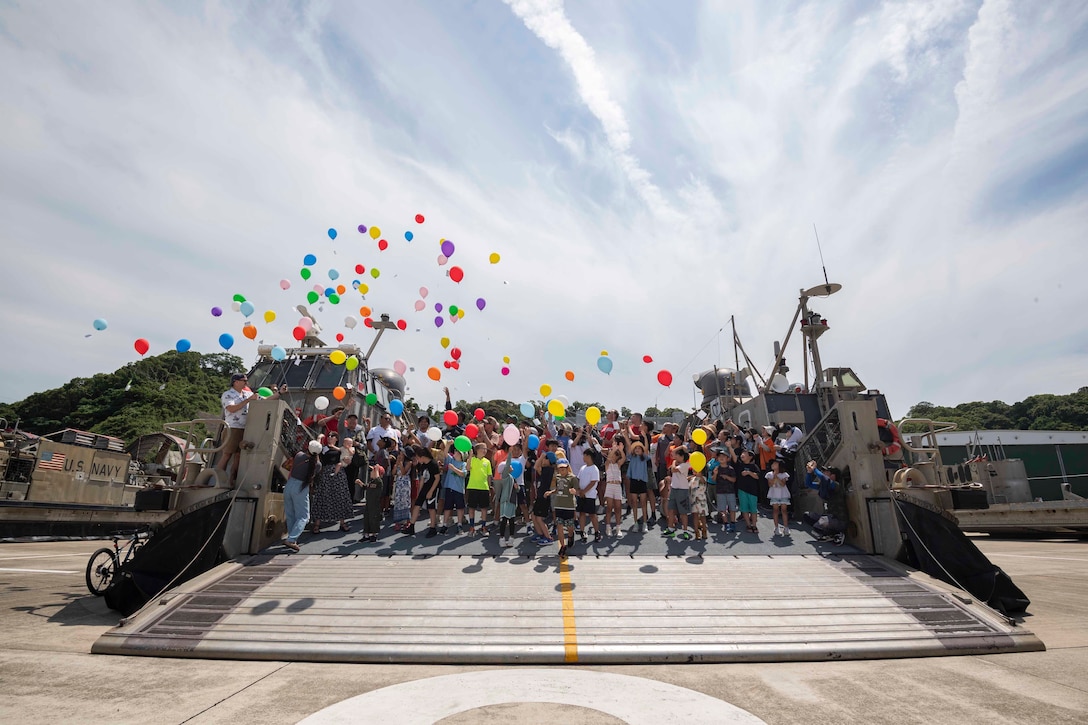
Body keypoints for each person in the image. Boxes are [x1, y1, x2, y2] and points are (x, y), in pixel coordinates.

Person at [218, 373, 282, 485]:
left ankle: (231, 480)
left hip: (247, 428)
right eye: (244, 380)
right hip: (233, 428)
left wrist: (279, 393)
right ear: (236, 382)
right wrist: (248, 401)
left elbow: (265, 400)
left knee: (239, 456)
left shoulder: (248, 393)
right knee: (227, 454)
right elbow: (231, 409)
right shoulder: (228, 395)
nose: (246, 383)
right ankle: (217, 478)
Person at [311, 432, 353, 533]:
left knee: (340, 496)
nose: (329, 437)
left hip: (338, 472)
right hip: (326, 472)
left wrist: (347, 460)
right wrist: (319, 438)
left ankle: (342, 522)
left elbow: (348, 457)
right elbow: (315, 449)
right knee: (322, 496)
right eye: (328, 436)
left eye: (332, 436)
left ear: (336, 439)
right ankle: (317, 523)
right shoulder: (323, 448)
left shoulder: (340, 449)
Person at [283, 440, 321, 552]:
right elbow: (315, 466)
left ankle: (291, 537)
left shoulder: (299, 455)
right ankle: (291, 539)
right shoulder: (317, 465)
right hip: (301, 487)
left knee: (291, 514)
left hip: (289, 484)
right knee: (304, 517)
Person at [803, 460, 847, 545]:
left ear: (833, 476)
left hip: (839, 520)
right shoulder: (824, 486)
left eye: (826, 472)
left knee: (819, 525)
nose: (824, 473)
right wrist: (809, 472)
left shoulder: (836, 486)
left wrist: (815, 469)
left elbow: (825, 479)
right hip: (829, 517)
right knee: (808, 516)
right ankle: (831, 534)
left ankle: (837, 534)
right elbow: (808, 484)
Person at [404, 446, 442, 537]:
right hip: (424, 488)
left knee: (431, 508)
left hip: (432, 488)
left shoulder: (433, 464)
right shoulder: (423, 465)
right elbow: (422, 479)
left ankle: (433, 528)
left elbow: (437, 478)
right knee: (417, 505)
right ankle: (411, 526)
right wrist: (419, 492)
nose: (417, 459)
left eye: (417, 457)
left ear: (422, 456)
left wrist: (431, 491)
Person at [545, 459, 578, 559]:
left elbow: (577, 490)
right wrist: (551, 492)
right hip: (559, 505)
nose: (562, 470)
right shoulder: (558, 478)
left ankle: (571, 535)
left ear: (567, 468)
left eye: (564, 468)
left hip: (569, 506)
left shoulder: (572, 478)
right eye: (560, 469)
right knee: (559, 525)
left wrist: (574, 491)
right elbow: (558, 489)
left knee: (569, 526)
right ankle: (562, 546)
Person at [661, 447, 692, 540]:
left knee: (683, 512)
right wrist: (681, 447)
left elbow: (673, 469)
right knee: (671, 510)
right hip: (674, 488)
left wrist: (673, 462)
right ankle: (670, 529)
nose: (675, 457)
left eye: (678, 455)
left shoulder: (685, 465)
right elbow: (673, 452)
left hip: (682, 490)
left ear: (682, 457)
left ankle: (685, 530)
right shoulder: (678, 462)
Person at [624, 438, 653, 532]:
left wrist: (645, 437)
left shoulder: (644, 457)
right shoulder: (631, 457)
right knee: (634, 503)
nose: (637, 450)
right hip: (633, 481)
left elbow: (647, 448)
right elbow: (628, 446)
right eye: (635, 448)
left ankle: (645, 523)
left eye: (639, 448)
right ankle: (635, 523)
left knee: (644, 503)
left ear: (642, 450)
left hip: (642, 482)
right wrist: (625, 436)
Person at [439, 443, 467, 534]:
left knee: (460, 507)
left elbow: (463, 474)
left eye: (457, 452)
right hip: (449, 488)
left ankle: (459, 524)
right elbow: (445, 453)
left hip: (458, 489)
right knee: (447, 507)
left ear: (461, 455)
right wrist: (448, 444)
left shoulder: (464, 464)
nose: (454, 452)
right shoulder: (451, 460)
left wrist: (454, 468)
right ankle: (445, 524)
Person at [465, 443, 493, 535]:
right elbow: (468, 468)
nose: (485, 450)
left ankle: (483, 527)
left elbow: (489, 476)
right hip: (473, 487)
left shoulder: (487, 461)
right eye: (483, 448)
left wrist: (489, 488)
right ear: (477, 450)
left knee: (484, 508)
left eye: (486, 448)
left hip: (484, 488)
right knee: (471, 508)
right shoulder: (472, 459)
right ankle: (472, 527)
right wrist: (470, 455)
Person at [576, 448, 602, 543]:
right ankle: (582, 531)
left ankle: (596, 532)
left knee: (592, 514)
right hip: (581, 495)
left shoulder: (594, 469)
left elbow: (593, 482)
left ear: (589, 456)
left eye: (585, 455)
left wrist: (584, 491)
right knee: (582, 513)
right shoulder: (583, 468)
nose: (583, 457)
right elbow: (578, 479)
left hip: (590, 495)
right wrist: (579, 490)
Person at [357, 460, 384, 543]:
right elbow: (367, 487)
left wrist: (376, 469)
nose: (371, 472)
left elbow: (378, 479)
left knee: (373, 519)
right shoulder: (371, 482)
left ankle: (374, 535)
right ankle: (366, 534)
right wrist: (360, 483)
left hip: (375, 505)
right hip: (368, 504)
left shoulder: (378, 482)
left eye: (372, 471)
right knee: (367, 519)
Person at [712, 448, 738, 533]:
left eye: (724, 456)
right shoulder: (717, 468)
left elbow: (734, 480)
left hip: (730, 491)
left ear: (727, 458)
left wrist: (727, 477)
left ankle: (733, 523)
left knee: (732, 508)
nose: (721, 458)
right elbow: (713, 480)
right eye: (719, 456)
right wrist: (715, 474)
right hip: (720, 491)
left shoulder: (730, 469)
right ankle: (726, 523)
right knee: (722, 509)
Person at [736, 449, 762, 533]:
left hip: (752, 491)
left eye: (745, 453)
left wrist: (749, 473)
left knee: (753, 509)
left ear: (750, 457)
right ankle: (748, 525)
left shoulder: (754, 466)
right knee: (744, 508)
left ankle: (754, 525)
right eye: (742, 453)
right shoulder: (739, 465)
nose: (742, 455)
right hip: (742, 490)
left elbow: (757, 476)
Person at [602, 443, 625, 536]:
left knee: (618, 507)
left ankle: (618, 527)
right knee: (609, 507)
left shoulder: (618, 465)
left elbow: (623, 458)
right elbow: (608, 459)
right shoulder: (607, 464)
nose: (614, 457)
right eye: (613, 455)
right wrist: (613, 450)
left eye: (616, 456)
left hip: (617, 486)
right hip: (610, 486)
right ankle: (608, 527)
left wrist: (621, 450)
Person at [765, 459, 792, 537]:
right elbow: (770, 485)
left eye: (775, 464)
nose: (773, 465)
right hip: (774, 494)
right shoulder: (769, 474)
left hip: (783, 494)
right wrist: (774, 477)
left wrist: (777, 477)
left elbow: (783, 484)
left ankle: (786, 527)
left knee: (784, 510)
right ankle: (776, 527)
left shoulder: (784, 474)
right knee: (776, 510)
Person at [495, 458, 518, 547]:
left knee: (512, 520)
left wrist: (517, 488)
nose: (511, 466)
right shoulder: (505, 476)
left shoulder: (512, 478)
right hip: (506, 501)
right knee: (504, 520)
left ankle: (511, 538)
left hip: (512, 501)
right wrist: (510, 453)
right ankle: (502, 538)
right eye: (509, 466)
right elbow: (508, 464)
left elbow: (517, 489)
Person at [689, 469, 709, 540]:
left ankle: (704, 530)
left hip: (701, 499)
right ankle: (696, 531)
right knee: (695, 516)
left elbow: (703, 482)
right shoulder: (692, 479)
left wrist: (699, 476)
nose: (694, 471)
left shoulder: (703, 478)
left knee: (703, 516)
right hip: (694, 499)